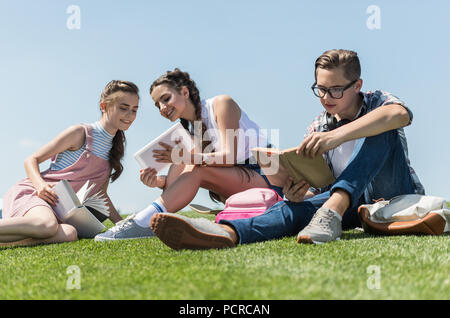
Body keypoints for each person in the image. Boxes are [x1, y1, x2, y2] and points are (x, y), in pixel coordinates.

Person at [149, 49, 425, 250]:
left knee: (381, 126)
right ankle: (227, 232)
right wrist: (298, 191)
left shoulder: (377, 101)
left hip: (394, 193)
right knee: (293, 209)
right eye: (320, 89)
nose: (326, 98)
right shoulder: (317, 125)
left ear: (358, 86)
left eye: (336, 90)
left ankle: (333, 211)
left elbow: (399, 115)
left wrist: (336, 136)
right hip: (351, 206)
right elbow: (318, 185)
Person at [95, 68, 290, 241]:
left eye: (166, 99)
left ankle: (143, 222)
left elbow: (229, 156)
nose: (163, 108)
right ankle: (146, 220)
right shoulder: (188, 130)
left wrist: (184, 158)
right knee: (187, 161)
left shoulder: (221, 104)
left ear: (184, 92)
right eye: (158, 105)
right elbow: (182, 177)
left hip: (268, 175)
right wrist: (159, 182)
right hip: (242, 179)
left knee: (194, 165)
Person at [0, 80, 139, 246]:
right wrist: (40, 186)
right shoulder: (80, 133)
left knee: (69, 233)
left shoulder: (112, 151)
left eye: (134, 110)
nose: (130, 115)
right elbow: (31, 160)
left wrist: (119, 223)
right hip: (35, 195)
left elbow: (100, 195)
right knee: (47, 225)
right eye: (123, 108)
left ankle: (5, 244)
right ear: (104, 106)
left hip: (58, 210)